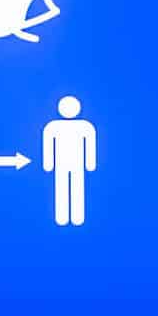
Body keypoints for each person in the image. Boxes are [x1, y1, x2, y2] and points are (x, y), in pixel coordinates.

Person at [42, 95, 96, 227]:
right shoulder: (52, 127)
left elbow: (90, 145)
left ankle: (77, 217)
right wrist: (48, 163)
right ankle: (62, 217)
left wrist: (90, 163)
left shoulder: (86, 126)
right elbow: (48, 145)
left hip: (77, 164)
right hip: (61, 164)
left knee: (77, 186)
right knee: (61, 187)